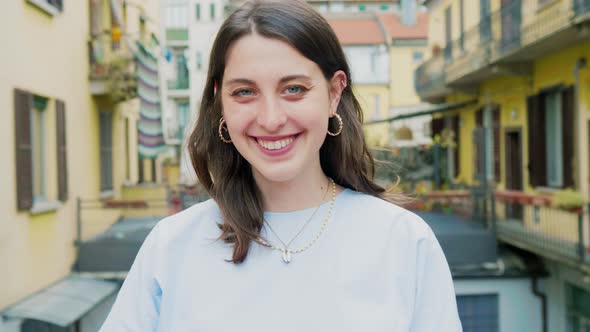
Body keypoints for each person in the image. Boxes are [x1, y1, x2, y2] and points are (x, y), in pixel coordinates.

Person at [99, 0, 462, 331]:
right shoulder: (171, 246)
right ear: (219, 100)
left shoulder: (403, 242)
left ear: (334, 93)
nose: (271, 119)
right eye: (245, 92)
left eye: (294, 89)